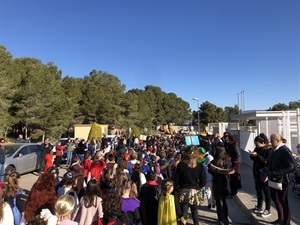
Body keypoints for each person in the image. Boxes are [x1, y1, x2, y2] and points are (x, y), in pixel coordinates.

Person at [174, 145, 206, 225]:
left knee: (184, 211)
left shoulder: (181, 165)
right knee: (194, 211)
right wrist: (199, 187)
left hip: (183, 190)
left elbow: (177, 179)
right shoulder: (199, 166)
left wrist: (176, 188)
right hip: (195, 190)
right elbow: (203, 181)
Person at [268, 133, 295, 225]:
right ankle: (281, 218)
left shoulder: (284, 150)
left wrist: (277, 172)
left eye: (272, 140)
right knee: (275, 198)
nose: (270, 142)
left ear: (278, 141)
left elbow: (291, 166)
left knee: (283, 200)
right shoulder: (274, 150)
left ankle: (286, 222)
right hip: (273, 179)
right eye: (270, 140)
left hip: (282, 180)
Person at [208, 146, 235, 225]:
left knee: (218, 203)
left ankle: (221, 219)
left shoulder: (214, 162)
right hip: (225, 184)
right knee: (224, 201)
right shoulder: (227, 162)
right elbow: (230, 171)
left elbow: (210, 171)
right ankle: (226, 218)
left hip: (217, 184)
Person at [249, 133, 272, 217]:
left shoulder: (268, 150)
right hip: (256, 172)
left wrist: (257, 155)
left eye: (257, 144)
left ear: (262, 142)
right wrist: (252, 155)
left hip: (264, 173)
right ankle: (259, 206)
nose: (256, 145)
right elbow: (254, 159)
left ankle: (268, 209)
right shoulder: (257, 148)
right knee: (258, 190)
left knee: (266, 191)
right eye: (255, 144)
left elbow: (266, 161)